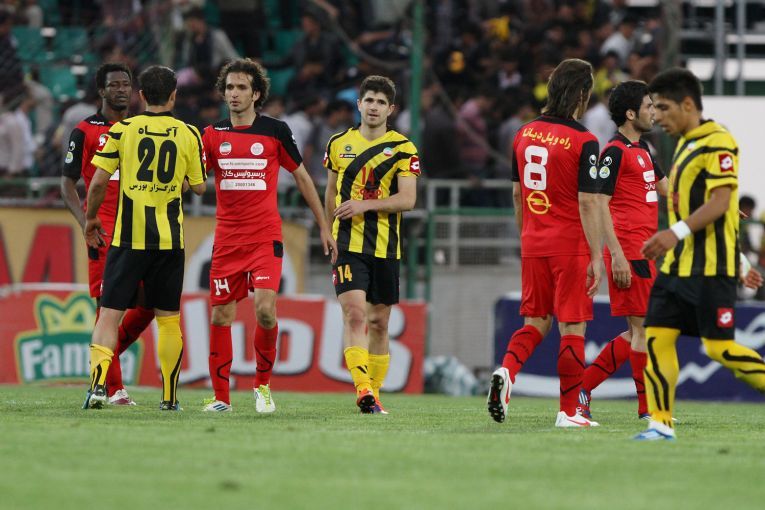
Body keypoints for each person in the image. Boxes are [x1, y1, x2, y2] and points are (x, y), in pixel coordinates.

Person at [636, 68, 765, 440]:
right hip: (677, 266)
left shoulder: (719, 141)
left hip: (710, 268)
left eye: (663, 107)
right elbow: (716, 207)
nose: (657, 116)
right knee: (657, 337)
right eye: (653, 108)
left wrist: (675, 234)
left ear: (688, 105)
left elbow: (722, 202)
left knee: (719, 348)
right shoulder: (684, 144)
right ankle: (660, 425)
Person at [201, 59, 336, 413]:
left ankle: (262, 387)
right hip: (227, 240)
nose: (234, 93)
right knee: (220, 317)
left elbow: (302, 177)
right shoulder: (211, 134)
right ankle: (221, 398)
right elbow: (196, 183)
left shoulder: (275, 131)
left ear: (256, 94)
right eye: (229, 87)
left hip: (264, 237)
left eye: (241, 87)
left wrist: (324, 225)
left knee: (264, 310)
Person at [82, 65, 207, 410]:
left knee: (109, 316)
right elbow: (198, 187)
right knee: (168, 321)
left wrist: (91, 219)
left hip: (127, 240)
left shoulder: (122, 130)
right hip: (169, 242)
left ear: (140, 95)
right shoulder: (188, 133)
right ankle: (169, 398)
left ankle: (97, 388)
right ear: (173, 96)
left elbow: (98, 182)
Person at [487, 59, 603, 428]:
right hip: (570, 245)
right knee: (572, 327)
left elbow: (518, 196)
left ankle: (507, 371)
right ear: (582, 94)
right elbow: (588, 201)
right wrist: (597, 255)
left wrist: (528, 237)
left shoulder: (523, 133)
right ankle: (569, 412)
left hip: (533, 242)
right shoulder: (585, 140)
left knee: (535, 321)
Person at [324, 75, 420, 414]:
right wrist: (327, 231)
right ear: (359, 104)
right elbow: (331, 191)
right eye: (369, 100)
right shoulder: (338, 143)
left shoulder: (404, 148)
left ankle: (374, 396)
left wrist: (365, 205)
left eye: (381, 102)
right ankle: (363, 389)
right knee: (354, 314)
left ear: (391, 109)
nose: (374, 107)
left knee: (379, 322)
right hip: (347, 244)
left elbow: (408, 200)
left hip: (385, 247)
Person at [61, 63, 156, 406]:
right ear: (101, 91)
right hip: (104, 233)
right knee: (107, 309)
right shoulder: (85, 131)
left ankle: (104, 357)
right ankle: (113, 388)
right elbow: (67, 184)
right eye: (114, 84)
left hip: (141, 230)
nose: (121, 90)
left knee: (150, 304)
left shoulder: (141, 128)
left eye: (126, 84)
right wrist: (85, 222)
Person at [576, 80, 667, 421]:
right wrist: (615, 254)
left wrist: (717, 205)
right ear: (631, 113)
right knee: (643, 329)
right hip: (629, 250)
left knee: (637, 331)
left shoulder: (644, 150)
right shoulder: (614, 152)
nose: (654, 112)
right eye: (649, 106)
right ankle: (646, 410)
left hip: (645, 251)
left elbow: (670, 190)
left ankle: (583, 388)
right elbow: (600, 202)